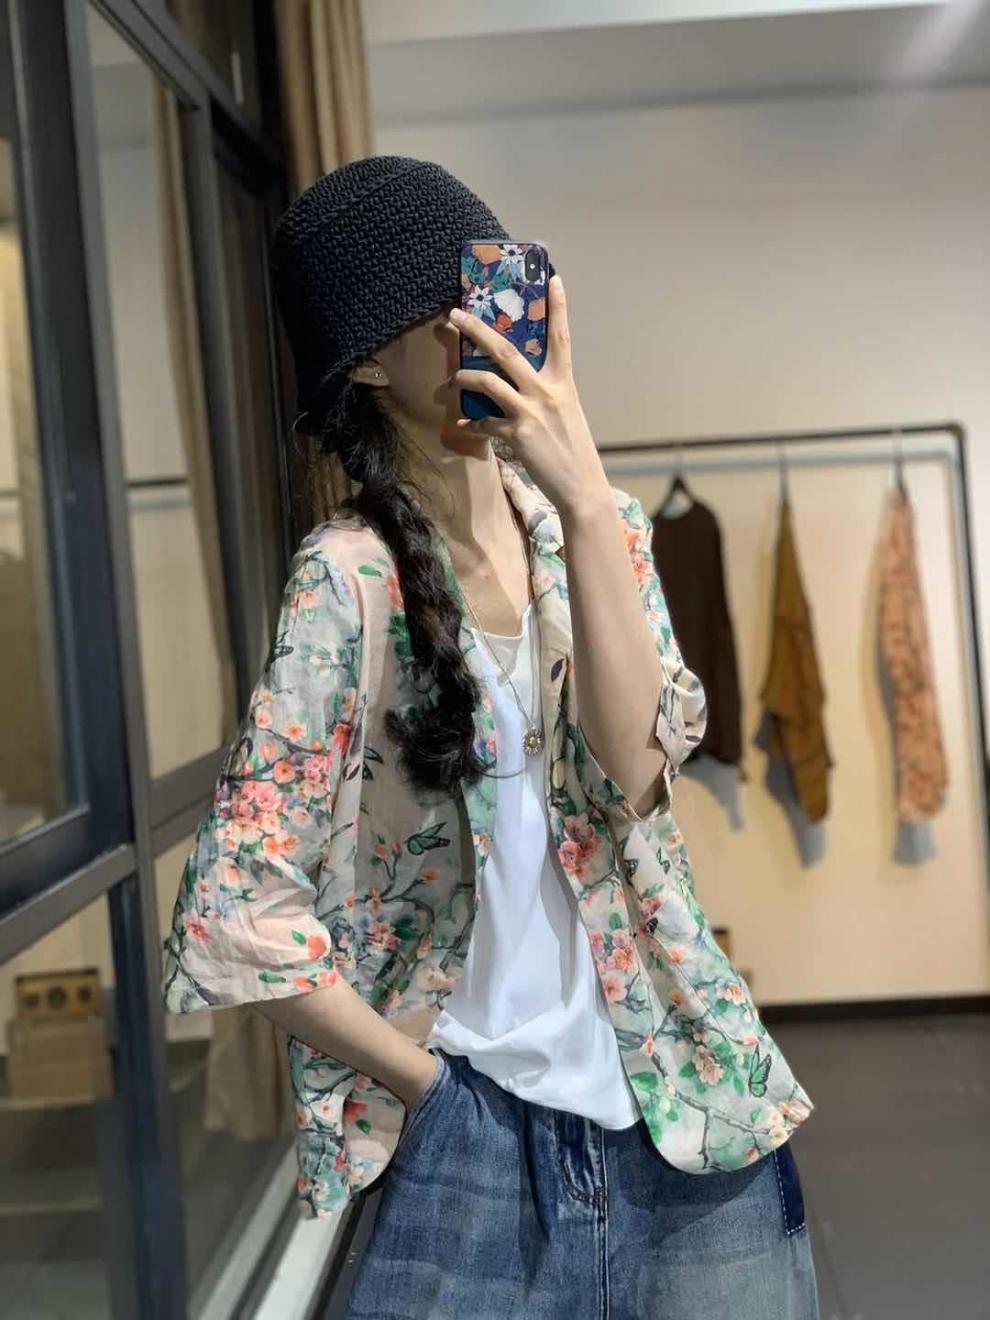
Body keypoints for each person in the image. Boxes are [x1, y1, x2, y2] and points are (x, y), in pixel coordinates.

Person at [161, 156, 819, 1319]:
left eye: (495, 287)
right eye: (447, 305)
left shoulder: (595, 529)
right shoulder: (349, 581)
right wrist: (432, 1094)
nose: (484, 325)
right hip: (475, 1147)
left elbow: (634, 776)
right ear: (370, 360)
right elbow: (236, 912)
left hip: (686, 1101)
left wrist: (587, 497)